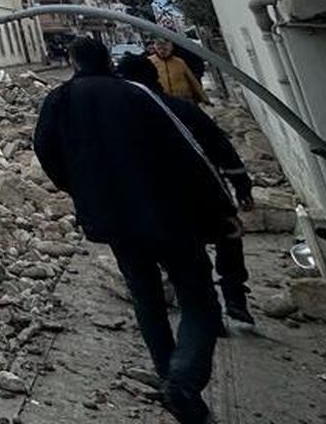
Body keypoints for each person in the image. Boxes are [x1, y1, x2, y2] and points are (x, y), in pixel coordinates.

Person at [34, 37, 234, 424]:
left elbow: (46, 149)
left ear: (73, 62)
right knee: (199, 301)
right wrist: (222, 205)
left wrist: (77, 188)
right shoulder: (140, 96)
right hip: (171, 215)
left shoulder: (62, 100)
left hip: (114, 219)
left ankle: (169, 378)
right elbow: (190, 152)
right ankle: (184, 378)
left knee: (147, 301)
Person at [117, 52, 256, 331]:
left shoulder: (131, 118)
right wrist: (241, 185)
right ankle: (234, 297)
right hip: (205, 195)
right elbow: (221, 147)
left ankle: (216, 309)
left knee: (195, 256)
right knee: (227, 240)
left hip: (166, 202)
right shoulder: (178, 109)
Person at [148, 37, 209, 104]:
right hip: (164, 100)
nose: (162, 51)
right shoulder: (150, 62)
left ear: (171, 47)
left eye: (165, 49)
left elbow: (193, 81)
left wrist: (204, 97)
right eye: (159, 49)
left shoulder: (179, 62)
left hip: (184, 99)